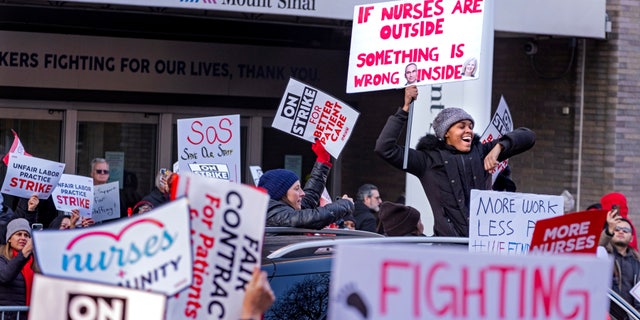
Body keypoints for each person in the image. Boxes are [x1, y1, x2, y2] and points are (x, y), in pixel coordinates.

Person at [374, 86, 536, 237]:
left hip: (483, 243)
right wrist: (404, 110)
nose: (469, 130)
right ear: (446, 133)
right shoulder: (426, 161)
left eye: (471, 126)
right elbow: (384, 148)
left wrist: (500, 146)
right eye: (461, 126)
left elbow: (528, 136)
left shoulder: (483, 151)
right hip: (447, 247)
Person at [258, 141, 354, 229]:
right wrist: (344, 204)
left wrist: (323, 161)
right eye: (296, 189)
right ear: (281, 193)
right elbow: (313, 218)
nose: (302, 193)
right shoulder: (273, 213)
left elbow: (310, 197)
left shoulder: (286, 209)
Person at [599, 209, 640, 319]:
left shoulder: (637, 262)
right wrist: (609, 230)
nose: (621, 232)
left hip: (631, 315)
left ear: (631, 238)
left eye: (626, 230)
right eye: (617, 229)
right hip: (607, 315)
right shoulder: (603, 255)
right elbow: (596, 247)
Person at [0, 218, 37, 317]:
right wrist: (24, 253)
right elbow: (5, 277)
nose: (23, 238)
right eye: (18, 234)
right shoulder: (2, 259)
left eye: (26, 235)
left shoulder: (33, 261)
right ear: (9, 239)